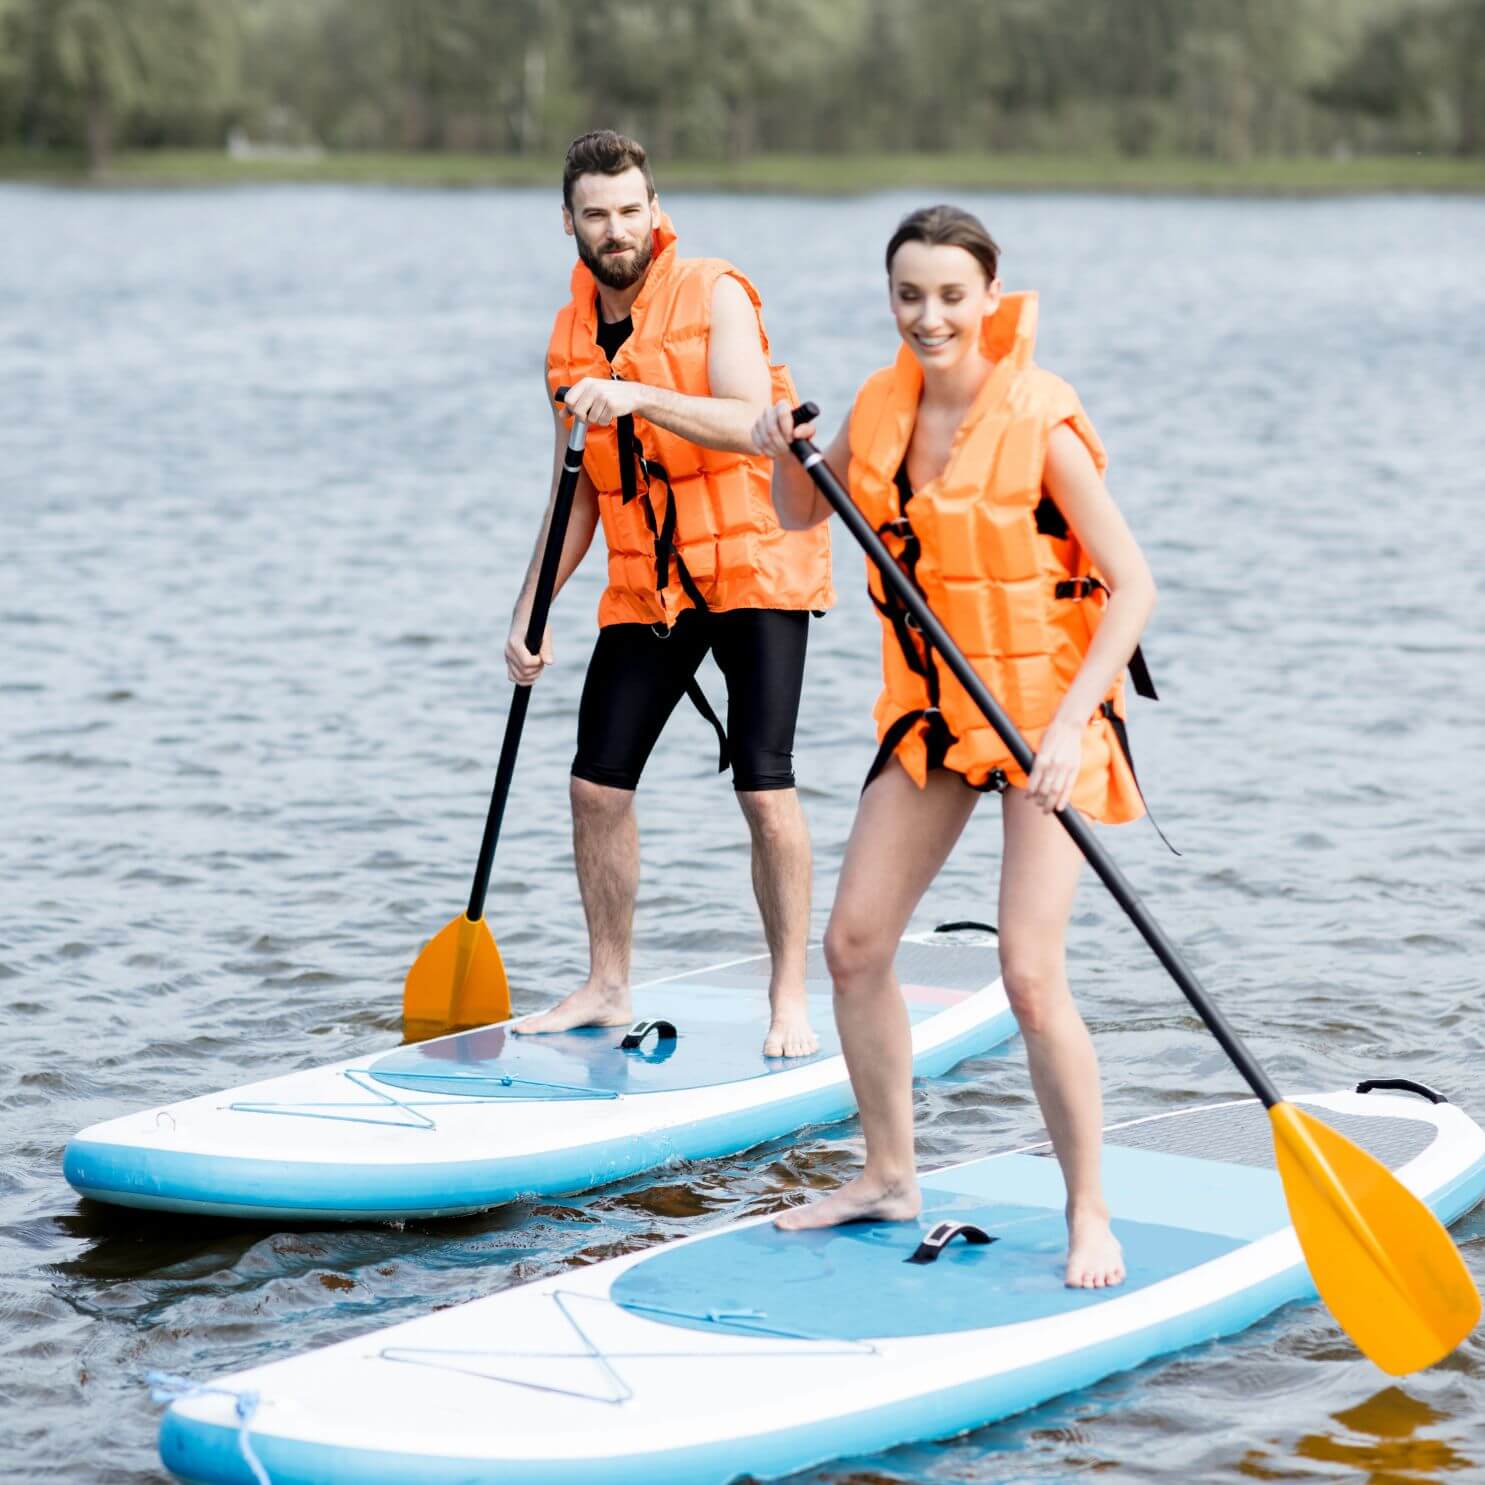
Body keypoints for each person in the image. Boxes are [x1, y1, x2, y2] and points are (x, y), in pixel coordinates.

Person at [751, 204, 1159, 1287]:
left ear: (988, 297)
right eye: (908, 295)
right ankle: (890, 1174)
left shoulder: (1042, 422)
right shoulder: (882, 407)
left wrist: (1073, 728)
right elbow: (800, 510)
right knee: (852, 946)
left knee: (1028, 974)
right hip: (938, 721)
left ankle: (1090, 1214)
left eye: (948, 295)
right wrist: (779, 448)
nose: (928, 316)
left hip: (1044, 725)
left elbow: (1135, 587)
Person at [506, 131, 834, 1058]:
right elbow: (576, 486)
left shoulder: (714, 291)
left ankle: (789, 999)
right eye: (596, 214)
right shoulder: (567, 340)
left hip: (755, 568)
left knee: (764, 789)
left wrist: (636, 393)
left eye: (630, 209)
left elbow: (747, 425)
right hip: (650, 583)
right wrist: (529, 610)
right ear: (567, 221)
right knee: (593, 785)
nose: (616, 230)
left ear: (655, 208)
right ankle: (607, 984)